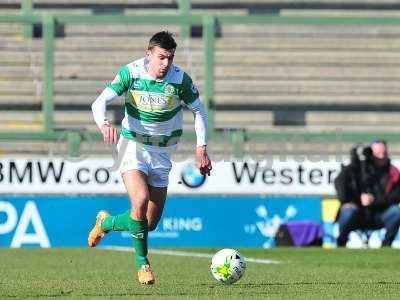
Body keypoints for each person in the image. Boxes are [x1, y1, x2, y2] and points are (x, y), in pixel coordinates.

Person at [88, 31, 212, 285]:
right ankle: (143, 265)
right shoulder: (131, 73)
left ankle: (106, 222)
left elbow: (199, 111)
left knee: (150, 223)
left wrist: (202, 147)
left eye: (170, 58)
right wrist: (103, 124)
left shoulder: (180, 80)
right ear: (149, 54)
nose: (166, 64)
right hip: (132, 145)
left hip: (163, 153)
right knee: (140, 200)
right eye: (161, 58)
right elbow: (99, 102)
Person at [334, 140, 400, 247]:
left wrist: (374, 200)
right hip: (357, 214)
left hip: (380, 214)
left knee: (396, 212)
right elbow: (341, 189)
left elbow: (396, 197)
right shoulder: (353, 170)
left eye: (384, 153)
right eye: (378, 153)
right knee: (348, 211)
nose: (382, 156)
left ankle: (386, 246)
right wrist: (354, 161)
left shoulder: (393, 172)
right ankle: (341, 243)